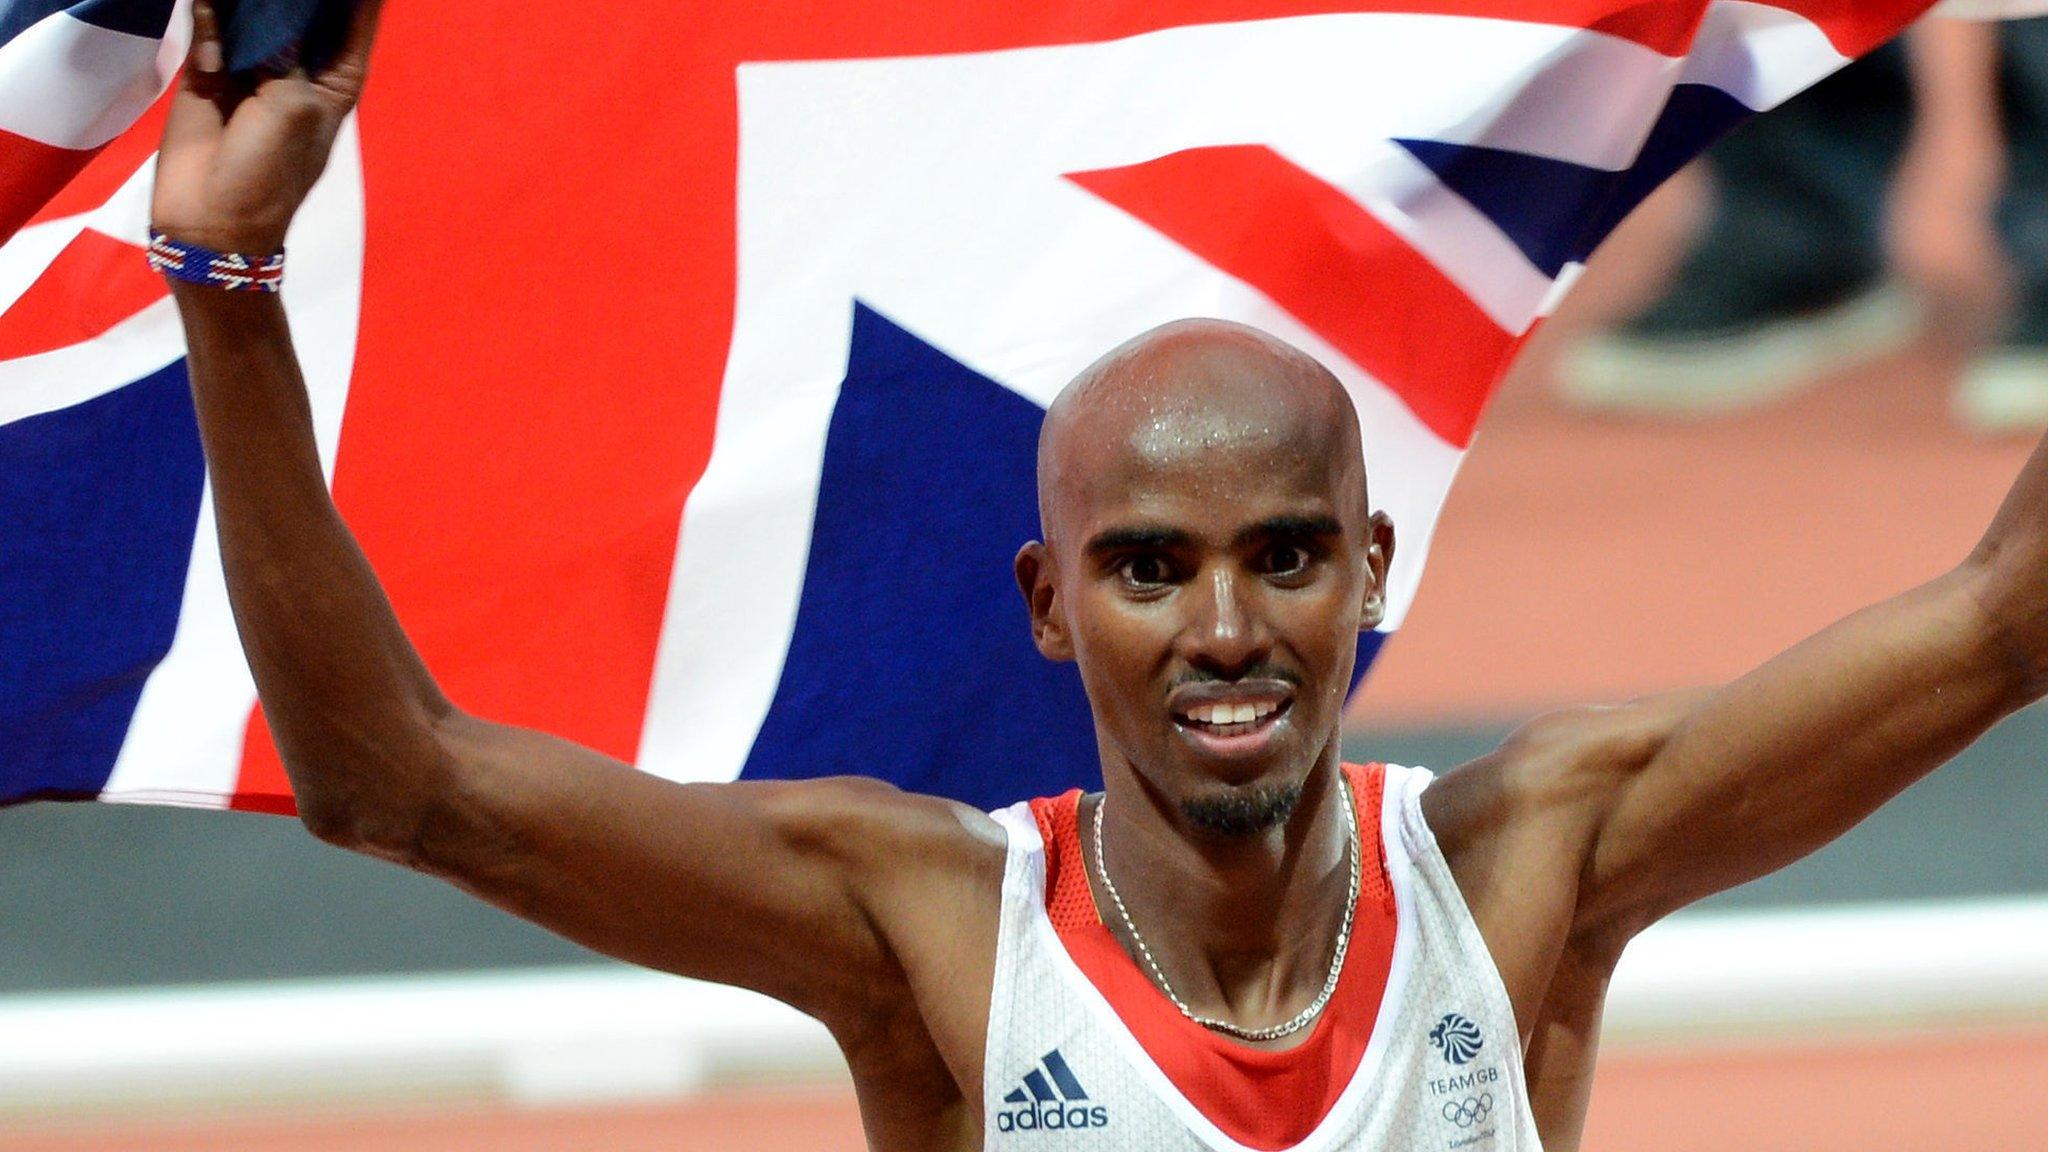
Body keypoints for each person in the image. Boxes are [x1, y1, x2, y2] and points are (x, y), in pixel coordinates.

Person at [152, 4, 2048, 1149]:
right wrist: (230, 293)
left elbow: (2005, 611)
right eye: (1152, 569)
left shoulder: (1527, 868)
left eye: (1285, 558)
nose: (1228, 632)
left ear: (1369, 571)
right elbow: (394, 785)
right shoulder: (932, 935)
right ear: (1053, 604)